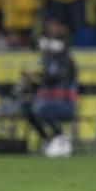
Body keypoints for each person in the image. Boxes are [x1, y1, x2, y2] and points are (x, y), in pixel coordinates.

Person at [21, 18, 77, 158]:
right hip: (48, 100)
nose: (51, 29)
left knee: (41, 108)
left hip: (64, 103)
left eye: (55, 26)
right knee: (26, 107)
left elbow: (56, 78)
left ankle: (60, 137)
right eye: (49, 26)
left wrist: (39, 75)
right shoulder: (47, 59)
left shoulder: (66, 59)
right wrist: (32, 81)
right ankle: (47, 139)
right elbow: (43, 85)